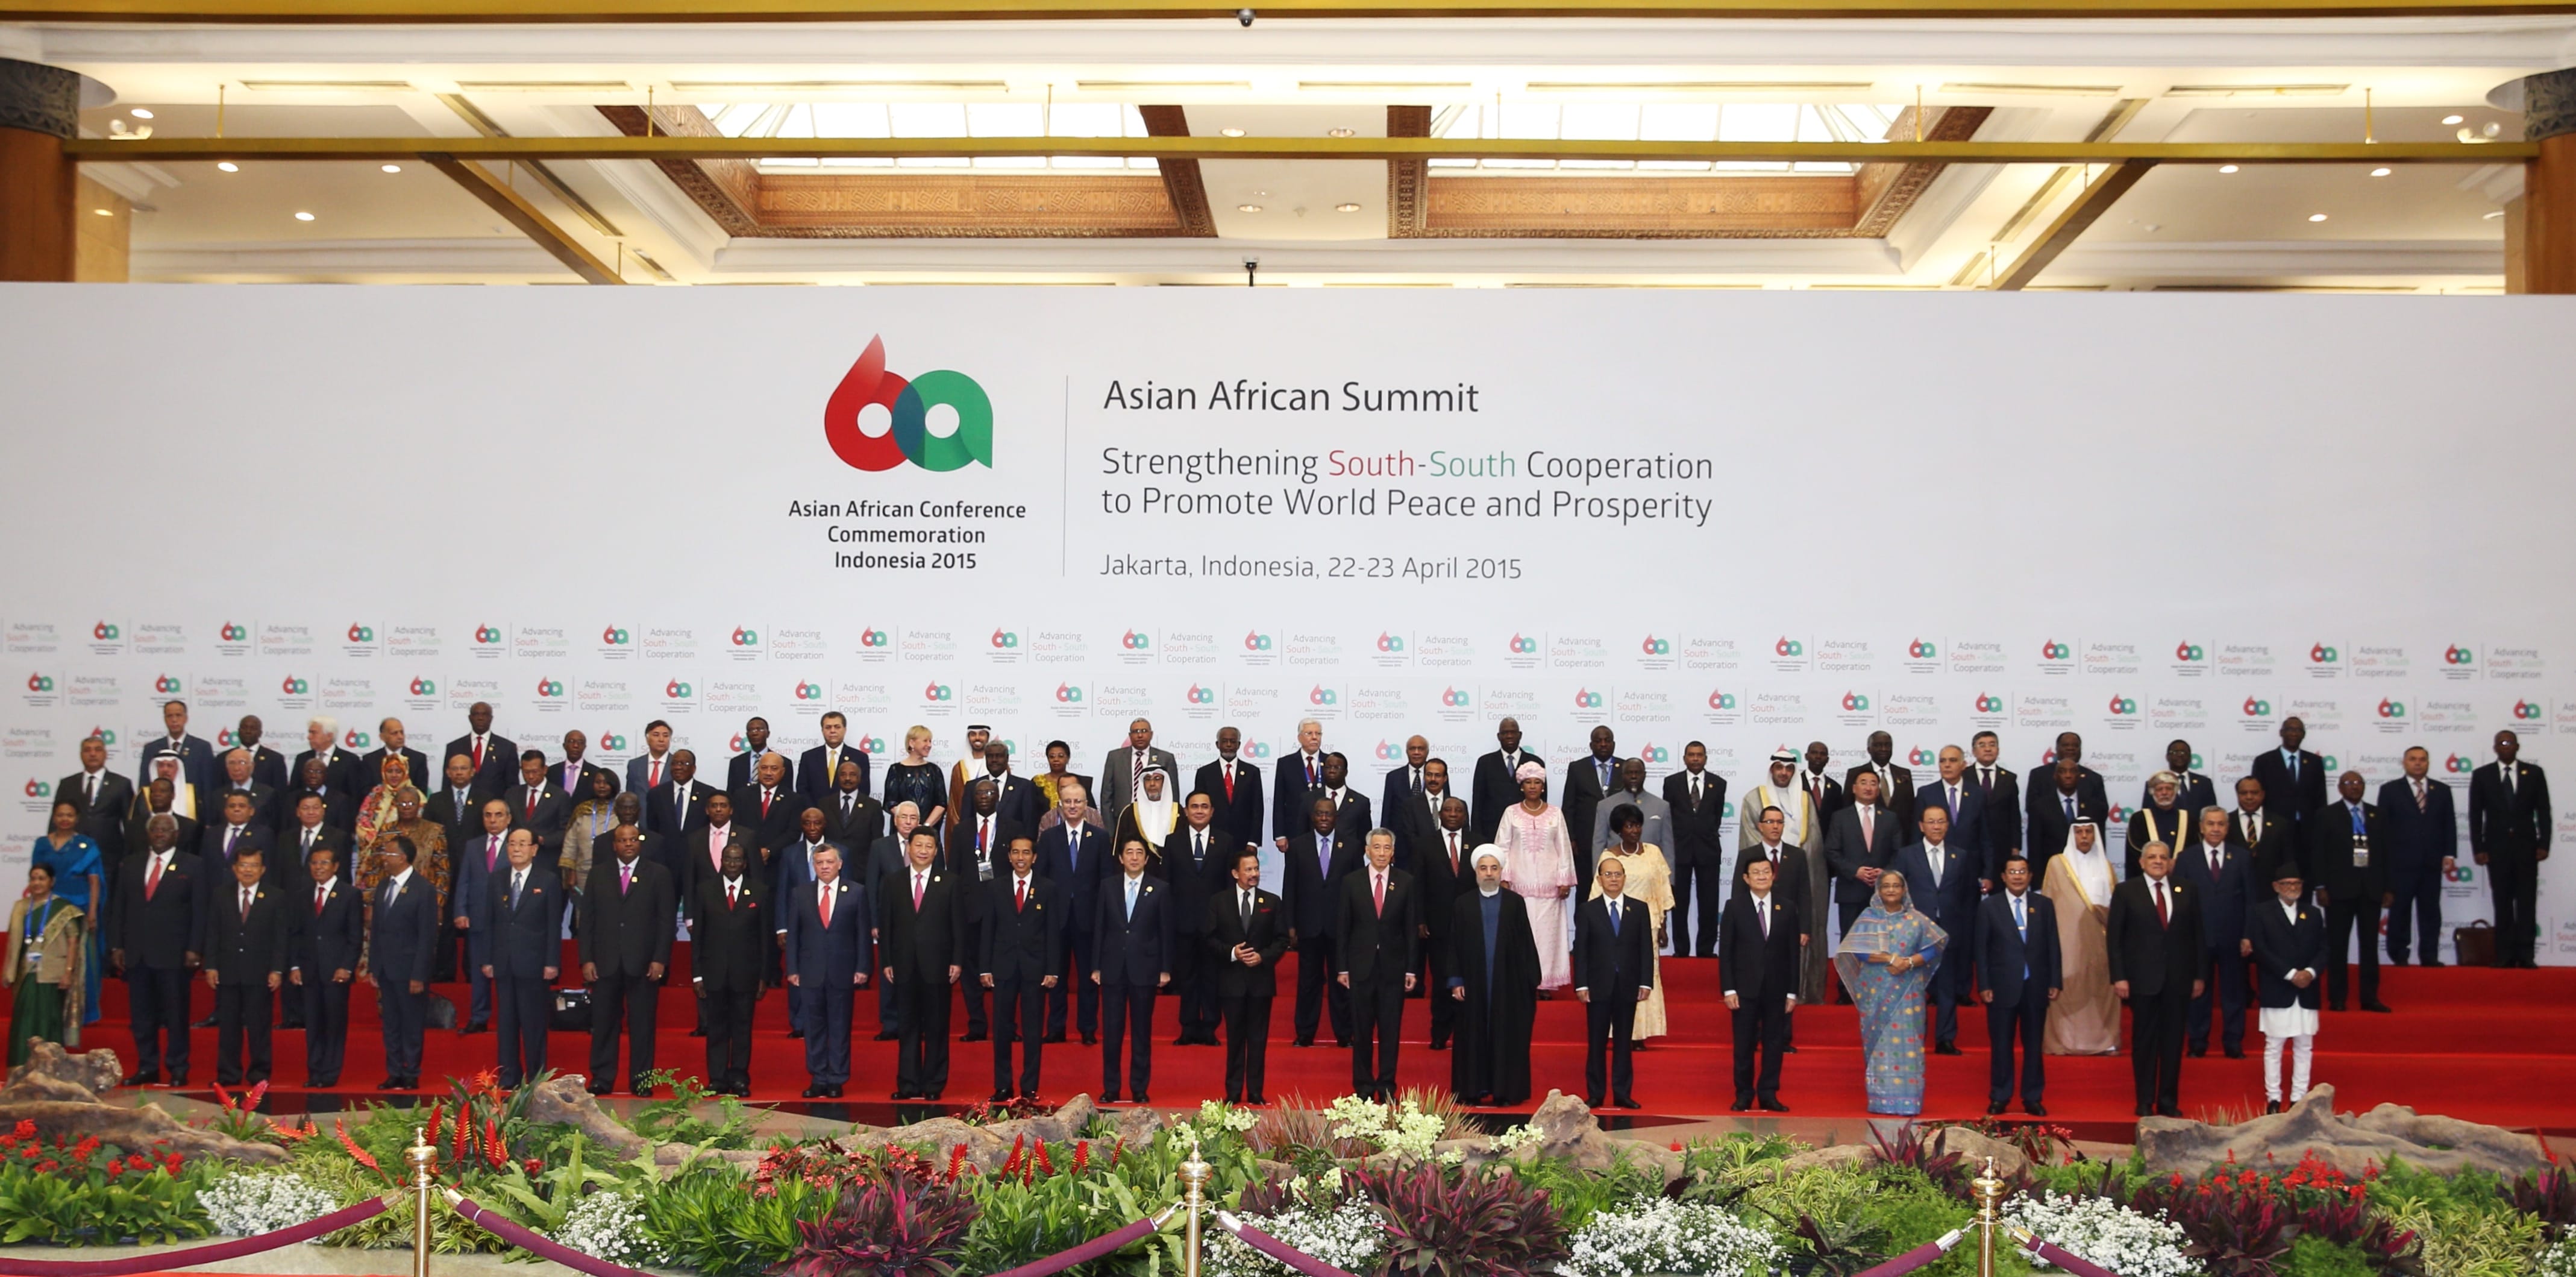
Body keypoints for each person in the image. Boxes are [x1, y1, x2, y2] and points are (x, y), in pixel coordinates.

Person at [1835, 870, 1946, 1115]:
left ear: (1904, 890)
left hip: (1908, 992)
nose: (1892, 890)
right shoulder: (1869, 918)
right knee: (1880, 1044)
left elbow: (1934, 947)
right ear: (1879, 890)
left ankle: (1910, 1101)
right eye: (1886, 886)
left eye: (1896, 886)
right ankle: (1881, 1101)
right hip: (1876, 991)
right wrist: (1893, 959)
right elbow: (1858, 950)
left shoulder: (1917, 919)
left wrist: (1907, 963)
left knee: (1910, 1043)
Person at [2107, 842, 2204, 1118]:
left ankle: (2168, 1101)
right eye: (2152, 857)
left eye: (2163, 857)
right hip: (2142, 981)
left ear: (2170, 862)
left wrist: (2199, 976)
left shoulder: (2187, 889)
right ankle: (2144, 1100)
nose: (2158, 861)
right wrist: (2119, 977)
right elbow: (2115, 940)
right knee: (2145, 1043)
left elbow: (2198, 936)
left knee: (2173, 1043)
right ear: (2141, 862)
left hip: (2179, 980)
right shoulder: (2127, 891)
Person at [578, 824, 674, 1097]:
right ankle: (602, 1077)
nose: (629, 844)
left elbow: (666, 922)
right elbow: (587, 921)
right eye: (623, 840)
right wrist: (586, 959)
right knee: (604, 1023)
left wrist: (660, 959)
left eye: (633, 840)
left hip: (643, 963)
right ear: (614, 845)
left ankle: (642, 1080)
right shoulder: (598, 874)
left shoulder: (658, 874)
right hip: (605, 962)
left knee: (642, 1025)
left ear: (640, 843)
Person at [108, 814, 200, 1087]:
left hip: (174, 953)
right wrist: (117, 945)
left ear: (176, 834)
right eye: (155, 830)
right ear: (148, 834)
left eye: (166, 830)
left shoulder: (193, 865)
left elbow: (200, 910)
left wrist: (195, 948)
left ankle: (178, 1067)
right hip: (137, 953)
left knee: (176, 1015)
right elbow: (118, 909)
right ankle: (148, 1066)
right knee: (142, 1017)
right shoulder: (131, 864)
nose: (160, 833)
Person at [1446, 847, 1537, 1106]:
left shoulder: (1514, 902)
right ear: (1476, 872)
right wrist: (1456, 980)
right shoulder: (1463, 903)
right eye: (1484, 869)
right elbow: (1453, 945)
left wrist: (1530, 981)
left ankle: (1505, 1091)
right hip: (1472, 985)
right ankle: (1472, 1090)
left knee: (1505, 1036)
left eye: (1494, 868)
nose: (1489, 874)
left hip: (1507, 985)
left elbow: (1525, 944)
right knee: (1471, 1036)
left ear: (1501, 872)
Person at [782, 844, 870, 1099]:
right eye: (820, 863)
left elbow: (862, 933)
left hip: (843, 970)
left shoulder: (856, 892)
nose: (825, 867)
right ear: (814, 866)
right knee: (814, 1027)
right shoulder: (801, 894)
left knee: (840, 1026)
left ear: (839, 864)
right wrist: (793, 968)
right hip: (810, 971)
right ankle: (818, 1077)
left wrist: (863, 967)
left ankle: (837, 1079)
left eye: (830, 862)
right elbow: (794, 935)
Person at [1742, 748, 1828, 1007]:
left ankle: (1801, 993)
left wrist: (1793, 869)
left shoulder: (1805, 799)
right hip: (1762, 890)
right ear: (1772, 770)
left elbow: (1812, 845)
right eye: (1779, 768)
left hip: (1795, 886)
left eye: (1789, 769)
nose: (1784, 773)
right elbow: (1750, 844)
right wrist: (1769, 875)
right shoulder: (1753, 798)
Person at [885, 828, 965, 1101]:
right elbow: (887, 926)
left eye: (929, 846)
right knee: (906, 1026)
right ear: (909, 848)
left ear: (936, 850)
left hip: (938, 965)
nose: (923, 850)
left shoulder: (950, 882)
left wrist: (957, 960)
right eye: (918, 845)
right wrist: (886, 961)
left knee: (936, 1026)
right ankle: (907, 1083)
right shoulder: (893, 882)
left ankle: (933, 1084)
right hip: (904, 964)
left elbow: (958, 925)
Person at [1890, 805, 1977, 1055]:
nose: (1936, 827)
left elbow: (1968, 896)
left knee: (1948, 987)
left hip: (1950, 930)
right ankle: (1913, 1038)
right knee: (1914, 988)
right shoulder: (1907, 855)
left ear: (1948, 825)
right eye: (1931, 822)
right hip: (1915, 932)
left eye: (1941, 822)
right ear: (1921, 826)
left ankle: (1945, 1039)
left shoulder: (1960, 855)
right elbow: (1897, 894)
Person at [1337, 829, 1417, 1100]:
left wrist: (1411, 968)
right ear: (1367, 850)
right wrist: (1342, 968)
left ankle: (1386, 1084)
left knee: (1390, 1030)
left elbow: (1410, 929)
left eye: (1387, 848)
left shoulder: (1406, 882)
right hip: (1360, 967)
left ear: (1393, 852)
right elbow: (1343, 928)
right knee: (1361, 1031)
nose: (1382, 853)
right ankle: (1362, 1085)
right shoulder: (1351, 882)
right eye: (1377, 848)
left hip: (1393, 969)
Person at [1092, 836, 1172, 1104]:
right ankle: (1111, 1087)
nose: (1135, 857)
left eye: (1140, 853)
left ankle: (1139, 1087)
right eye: (1130, 852)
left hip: (1145, 969)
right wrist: (1096, 966)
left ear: (1147, 859)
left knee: (1141, 1032)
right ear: (1121, 858)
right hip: (1113, 969)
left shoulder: (1159, 889)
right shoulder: (1107, 886)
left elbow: (1165, 931)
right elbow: (1099, 928)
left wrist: (1165, 969)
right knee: (1112, 1032)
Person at [980, 835, 1060, 1102]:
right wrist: (984, 967)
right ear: (1009, 856)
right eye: (1016, 852)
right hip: (1003, 967)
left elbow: (1052, 932)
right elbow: (987, 930)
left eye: (1026, 852)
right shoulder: (995, 887)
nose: (1021, 857)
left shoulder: (1047, 888)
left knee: (1033, 1029)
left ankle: (1029, 1086)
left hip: (1035, 969)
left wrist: (1052, 969)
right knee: (1002, 1029)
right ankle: (1003, 1085)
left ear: (1034, 857)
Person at [1977, 855, 2059, 1117]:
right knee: (2001, 1045)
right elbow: (1981, 950)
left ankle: (2032, 1097)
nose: (2017, 876)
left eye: (2022, 871)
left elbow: (2053, 946)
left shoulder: (2044, 905)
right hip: (2001, 987)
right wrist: (1984, 984)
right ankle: (2000, 1096)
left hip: (2035, 986)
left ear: (2030, 876)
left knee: (2034, 1045)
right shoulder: (1990, 907)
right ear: (2003, 876)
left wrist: (2055, 980)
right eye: (2012, 871)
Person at [482, 829, 562, 1090]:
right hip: (504, 963)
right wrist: (488, 958)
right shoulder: (496, 879)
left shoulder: (548, 880)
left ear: (534, 849)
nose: (517, 849)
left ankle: (537, 1078)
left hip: (535, 963)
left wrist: (552, 962)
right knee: (506, 1025)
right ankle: (508, 1077)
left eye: (522, 844)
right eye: (512, 844)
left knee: (534, 1024)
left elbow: (553, 925)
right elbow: (490, 923)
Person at [685, 839, 765, 1096]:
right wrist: (697, 974)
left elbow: (764, 940)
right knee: (716, 1028)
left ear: (744, 863)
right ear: (722, 862)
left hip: (746, 974)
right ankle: (717, 1078)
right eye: (728, 859)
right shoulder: (706, 890)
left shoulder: (759, 891)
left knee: (742, 1027)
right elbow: (698, 937)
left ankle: (739, 1077)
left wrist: (764, 976)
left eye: (737, 859)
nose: (732, 864)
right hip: (713, 973)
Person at [1588, 806, 1673, 1045]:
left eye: (1637, 825)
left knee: (1645, 977)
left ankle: (1640, 1035)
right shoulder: (1608, 858)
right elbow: (1597, 897)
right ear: (1618, 830)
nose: (1635, 830)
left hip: (1648, 924)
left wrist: (1664, 925)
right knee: (1619, 978)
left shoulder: (1654, 853)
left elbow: (1662, 890)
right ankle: (1617, 1033)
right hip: (1616, 927)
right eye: (1629, 826)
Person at [1281, 792, 1361, 1046]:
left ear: (1336, 817)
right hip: (1309, 926)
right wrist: (1290, 925)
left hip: (1342, 928)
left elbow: (1358, 891)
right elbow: (1289, 888)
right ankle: (1305, 1033)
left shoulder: (1352, 845)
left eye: (1328, 814)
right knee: (1308, 983)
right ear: (1312, 817)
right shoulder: (1298, 845)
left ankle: (1344, 1034)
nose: (1324, 818)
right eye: (1319, 813)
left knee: (1342, 984)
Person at [1719, 856, 1797, 1113]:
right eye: (1756, 872)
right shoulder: (1734, 906)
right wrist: (1729, 989)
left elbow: (1793, 954)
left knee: (1774, 1043)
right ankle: (1743, 1094)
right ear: (1746, 878)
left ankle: (1768, 1094)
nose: (1762, 876)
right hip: (1744, 989)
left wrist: (1792, 991)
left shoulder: (1787, 907)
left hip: (1777, 988)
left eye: (1766, 871)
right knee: (1744, 1044)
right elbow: (1727, 951)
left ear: (1773, 876)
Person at [1572, 856, 1652, 1110]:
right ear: (1599, 879)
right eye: (1608, 874)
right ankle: (1595, 1093)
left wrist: (1646, 982)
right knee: (1596, 1042)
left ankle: (1622, 1093)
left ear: (1625, 878)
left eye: (1618, 874)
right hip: (1597, 986)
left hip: (1628, 985)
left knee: (1623, 1042)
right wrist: (1581, 984)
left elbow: (1645, 949)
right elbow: (1581, 950)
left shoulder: (1638, 909)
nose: (1614, 879)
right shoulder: (1587, 910)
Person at [2176, 806, 2255, 1059]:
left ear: (2227, 828)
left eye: (2221, 824)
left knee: (2234, 991)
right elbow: (2179, 902)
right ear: (2201, 827)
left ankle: (2233, 1041)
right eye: (2210, 824)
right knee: (2199, 991)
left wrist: (2247, 935)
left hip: (2232, 937)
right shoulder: (2187, 858)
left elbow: (2250, 901)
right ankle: (2198, 1041)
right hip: (2197, 938)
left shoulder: (2241, 857)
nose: (2215, 829)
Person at [201, 846, 284, 1085]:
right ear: (235, 869)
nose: (248, 870)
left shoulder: (276, 896)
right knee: (228, 1027)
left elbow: (281, 937)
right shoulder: (220, 895)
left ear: (263, 869)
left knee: (259, 1027)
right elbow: (213, 933)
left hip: (260, 973)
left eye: (254, 865)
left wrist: (277, 969)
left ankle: (260, 1074)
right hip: (227, 971)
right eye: (243, 865)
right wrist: (211, 965)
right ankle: (228, 1073)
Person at [2310, 771, 2392, 1012]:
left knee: (2369, 945)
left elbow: (2388, 853)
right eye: (2349, 783)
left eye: (2359, 783)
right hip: (2338, 890)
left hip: (2372, 889)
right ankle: (2337, 998)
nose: (2354, 787)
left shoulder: (2378, 815)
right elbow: (2318, 853)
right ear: (2340, 787)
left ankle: (2370, 998)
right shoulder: (2326, 815)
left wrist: (2389, 887)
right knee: (2337, 946)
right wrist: (2320, 886)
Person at [2469, 729, 2551, 968]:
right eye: (2501, 743)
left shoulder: (2534, 773)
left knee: (2526, 901)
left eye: (2509, 743)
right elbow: (2475, 814)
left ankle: (2526, 954)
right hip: (2496, 848)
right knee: (2502, 901)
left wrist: (2544, 843)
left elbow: (2544, 811)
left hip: (2527, 848)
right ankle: (2504, 954)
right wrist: (2479, 847)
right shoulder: (2482, 775)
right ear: (2495, 748)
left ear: (2517, 746)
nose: (2505, 746)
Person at [1212, 848, 1289, 1104]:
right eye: (1248, 869)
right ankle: (1233, 1092)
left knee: (1258, 1039)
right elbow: (1209, 939)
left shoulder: (1272, 901)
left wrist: (1263, 957)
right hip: (1231, 981)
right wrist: (1232, 952)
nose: (1254, 874)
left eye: (1256, 869)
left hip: (1260, 982)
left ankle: (1255, 1091)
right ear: (1236, 873)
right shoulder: (1219, 902)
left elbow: (1282, 940)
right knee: (1235, 1039)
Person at [2248, 863, 2325, 1114]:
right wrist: (2291, 974)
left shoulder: (2313, 913)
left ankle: (2299, 1098)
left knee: (2304, 1046)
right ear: (2276, 887)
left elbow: (2324, 949)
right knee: (2274, 1046)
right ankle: (2273, 1098)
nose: (2292, 889)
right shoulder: (2262, 912)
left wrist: (2310, 973)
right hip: (2277, 987)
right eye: (2287, 884)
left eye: (2297, 884)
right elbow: (2260, 948)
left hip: (2306, 990)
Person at [365, 834, 440, 1091]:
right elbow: (377, 931)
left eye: (390, 854)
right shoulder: (384, 886)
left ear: (404, 858)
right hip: (386, 969)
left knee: (411, 1024)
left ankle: (412, 1072)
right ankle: (394, 1071)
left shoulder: (424, 889)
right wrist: (374, 967)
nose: (385, 858)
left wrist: (419, 975)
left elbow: (427, 937)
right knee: (391, 1025)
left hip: (410, 971)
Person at [1036, 782, 1108, 1044]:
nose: (1073, 806)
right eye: (1068, 802)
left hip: (1088, 919)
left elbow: (1106, 881)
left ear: (1086, 804)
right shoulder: (1049, 837)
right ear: (1060, 805)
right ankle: (1056, 1028)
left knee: (1090, 978)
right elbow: (1040, 879)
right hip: (1056, 918)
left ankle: (1088, 1028)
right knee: (1056, 976)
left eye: (1078, 801)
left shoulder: (1100, 837)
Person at [1494, 762, 1575, 994]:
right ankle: (1522, 980)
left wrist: (1564, 880)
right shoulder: (1511, 813)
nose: (1532, 786)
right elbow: (1502, 847)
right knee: (1522, 935)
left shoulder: (1555, 814)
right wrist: (1504, 878)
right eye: (1528, 782)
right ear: (1521, 786)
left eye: (1537, 782)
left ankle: (1546, 983)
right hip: (1519, 886)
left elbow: (1564, 848)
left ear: (1543, 786)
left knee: (1548, 937)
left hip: (1550, 887)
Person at [2041, 819, 2119, 1056]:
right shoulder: (2057, 864)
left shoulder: (2106, 866)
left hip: (2099, 941)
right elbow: (2047, 903)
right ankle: (2064, 1042)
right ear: (2071, 836)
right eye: (2079, 832)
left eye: (2088, 832)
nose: (2084, 837)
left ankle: (2104, 1042)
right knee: (2067, 989)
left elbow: (2114, 906)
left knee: (2099, 990)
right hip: (2066, 942)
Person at [1161, 791, 1231, 1047]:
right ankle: (1188, 1027)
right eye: (1194, 807)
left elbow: (1228, 888)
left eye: (1204, 806)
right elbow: (1166, 885)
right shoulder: (1173, 841)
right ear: (1186, 812)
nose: (1199, 811)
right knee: (1187, 977)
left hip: (1215, 925)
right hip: (1183, 922)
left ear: (1212, 811)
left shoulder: (1225, 841)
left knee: (1212, 978)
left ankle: (1210, 1027)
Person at [287, 846, 360, 1088]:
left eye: (324, 863)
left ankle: (330, 1073)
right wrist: (295, 965)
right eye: (314, 863)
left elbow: (354, 936)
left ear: (336, 866)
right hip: (309, 971)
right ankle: (315, 1072)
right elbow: (295, 934)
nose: (318, 868)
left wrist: (347, 967)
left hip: (336, 972)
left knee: (335, 1024)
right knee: (313, 1024)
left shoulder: (349, 895)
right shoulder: (301, 895)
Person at [2379, 747, 2457, 968]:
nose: (2418, 763)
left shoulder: (2441, 790)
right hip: (2401, 864)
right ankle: (2399, 954)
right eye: (2413, 759)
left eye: (2422, 760)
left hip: (2432, 863)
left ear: (2428, 763)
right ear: (2404, 763)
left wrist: (2449, 853)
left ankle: (2430, 955)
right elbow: (2383, 830)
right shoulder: (2390, 790)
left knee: (2431, 911)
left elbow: (2449, 825)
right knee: (2400, 910)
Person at [31, 799, 104, 1026]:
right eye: (61, 815)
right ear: (54, 817)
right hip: (49, 907)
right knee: (50, 956)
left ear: (77, 819)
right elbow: (37, 878)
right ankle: (49, 1009)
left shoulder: (87, 845)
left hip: (79, 908)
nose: (65, 819)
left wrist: (92, 912)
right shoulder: (42, 844)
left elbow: (95, 882)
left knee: (83, 960)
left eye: (70, 815)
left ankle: (83, 1013)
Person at [5, 864, 86, 1066]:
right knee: (24, 1019)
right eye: (33, 878)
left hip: (53, 974)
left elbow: (73, 941)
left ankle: (50, 1068)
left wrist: (68, 972)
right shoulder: (21, 907)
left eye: (41, 878)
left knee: (48, 1020)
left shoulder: (64, 909)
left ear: (52, 882)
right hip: (27, 972)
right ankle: (21, 1068)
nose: (36, 883)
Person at [1412, 791, 1471, 1050]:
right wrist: (1420, 920)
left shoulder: (1479, 843)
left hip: (1471, 926)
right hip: (1436, 925)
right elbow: (1418, 886)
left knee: (1468, 979)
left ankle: (1466, 1033)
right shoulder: (1425, 844)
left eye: (1458, 811)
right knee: (1440, 981)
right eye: (1449, 810)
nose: (1453, 815)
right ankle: (1440, 1033)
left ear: (1465, 816)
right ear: (1440, 814)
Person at [454, 797, 516, 1034]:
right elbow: (465, 881)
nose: (493, 820)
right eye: (488, 815)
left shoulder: (517, 843)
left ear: (508, 818)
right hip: (478, 917)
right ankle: (479, 1017)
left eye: (498, 815)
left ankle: (509, 1019)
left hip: (508, 920)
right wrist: (461, 910)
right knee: (479, 970)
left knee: (507, 970)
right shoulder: (473, 845)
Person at [1661, 742, 1726, 958]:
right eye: (1691, 755)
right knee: (1679, 903)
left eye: (1699, 755)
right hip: (1680, 849)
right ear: (1684, 758)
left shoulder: (1718, 784)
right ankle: (1681, 950)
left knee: (1709, 902)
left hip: (1708, 850)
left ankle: (1706, 950)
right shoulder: (1672, 783)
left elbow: (1716, 818)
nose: (1696, 759)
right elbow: (1669, 816)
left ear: (1706, 758)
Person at [1824, 769, 1902, 940]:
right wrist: (1854, 871)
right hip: (1851, 891)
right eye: (1864, 782)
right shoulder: (1840, 817)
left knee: (1883, 942)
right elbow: (1831, 850)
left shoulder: (1890, 818)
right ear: (1854, 788)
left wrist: (1885, 873)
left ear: (1878, 789)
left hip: (1883, 893)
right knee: (1851, 942)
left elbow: (1899, 852)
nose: (1868, 787)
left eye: (1873, 783)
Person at [869, 801, 922, 1040]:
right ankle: (891, 1024)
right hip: (890, 922)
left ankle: (917, 1024)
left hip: (923, 922)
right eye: (904, 817)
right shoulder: (880, 846)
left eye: (913, 818)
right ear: (895, 820)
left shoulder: (928, 845)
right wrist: (873, 921)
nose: (909, 822)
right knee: (889, 974)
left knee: (920, 974)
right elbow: (871, 887)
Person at [60, 735, 133, 885]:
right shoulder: (67, 784)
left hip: (109, 860)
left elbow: (131, 825)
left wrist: (127, 858)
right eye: (87, 750)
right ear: (81, 755)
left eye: (98, 750)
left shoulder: (121, 784)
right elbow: (56, 823)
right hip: (73, 858)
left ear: (106, 754)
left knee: (106, 906)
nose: (93, 754)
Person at [2248, 716, 2331, 849]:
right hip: (2275, 828)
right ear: (2282, 733)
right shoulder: (2264, 761)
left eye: (2298, 730)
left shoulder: (2315, 762)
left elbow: (2321, 798)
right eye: (2290, 729)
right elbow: (2257, 796)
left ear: (2303, 735)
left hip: (2307, 830)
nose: (2294, 733)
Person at [2024, 759, 2104, 887]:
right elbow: (2035, 849)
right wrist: (2038, 885)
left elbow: (2099, 844)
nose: (2068, 776)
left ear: (2079, 776)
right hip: (2052, 876)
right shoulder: (2040, 807)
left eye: (2073, 772)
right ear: (2055, 777)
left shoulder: (2094, 807)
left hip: (2088, 877)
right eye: (2063, 772)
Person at [1196, 727, 1266, 872]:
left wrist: (1253, 841)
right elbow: (1200, 809)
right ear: (1217, 744)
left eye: (1233, 742)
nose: (1228, 745)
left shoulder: (1252, 772)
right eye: (1225, 741)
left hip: (1243, 840)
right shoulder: (1205, 773)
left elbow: (1257, 809)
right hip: (1213, 839)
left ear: (1239, 745)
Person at [1470, 718, 1541, 848]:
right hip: (1491, 832)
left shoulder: (1535, 762)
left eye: (1513, 732)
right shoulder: (1485, 763)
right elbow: (1478, 802)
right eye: (1505, 733)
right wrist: (1477, 836)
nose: (1509, 736)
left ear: (1520, 735)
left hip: (1526, 833)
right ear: (1499, 736)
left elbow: (1541, 800)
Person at [1586, 758, 1669, 868]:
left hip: (1651, 872)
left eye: (1637, 773)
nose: (1634, 777)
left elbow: (1668, 846)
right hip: (1616, 873)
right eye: (1629, 773)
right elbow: (1599, 844)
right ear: (1622, 775)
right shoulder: (1605, 806)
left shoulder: (1662, 806)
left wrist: (1670, 880)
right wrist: (1599, 874)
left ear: (1644, 775)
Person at [1562, 727, 1619, 884]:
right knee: (1585, 889)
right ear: (1591, 745)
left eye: (1607, 741)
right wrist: (1571, 839)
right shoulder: (1577, 768)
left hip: (1619, 841)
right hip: (1585, 841)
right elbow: (1569, 806)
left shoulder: (1626, 768)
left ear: (1613, 744)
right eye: (1598, 741)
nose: (1603, 744)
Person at [1100, 718, 1181, 825]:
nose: (1140, 735)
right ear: (1130, 735)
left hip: (1155, 821)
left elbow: (1173, 795)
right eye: (1136, 732)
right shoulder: (1115, 758)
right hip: (1123, 820)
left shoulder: (1166, 758)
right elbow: (1106, 797)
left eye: (1144, 731)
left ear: (1151, 734)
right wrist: (1110, 831)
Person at [562, 767, 622, 906]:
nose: (602, 786)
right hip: (584, 873)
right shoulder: (582, 810)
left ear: (614, 785)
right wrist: (571, 873)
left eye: (606, 783)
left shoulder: (621, 810)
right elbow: (571, 843)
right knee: (584, 915)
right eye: (598, 782)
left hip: (613, 873)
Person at [1969, 731, 2023, 878]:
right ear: (1974, 751)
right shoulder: (1964, 776)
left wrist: (2015, 847)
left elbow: (2014, 816)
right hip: (1971, 846)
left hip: (2001, 846)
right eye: (1982, 745)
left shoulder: (2009, 779)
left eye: (1992, 745)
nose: (1988, 749)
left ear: (1998, 750)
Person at [1272, 718, 1329, 853]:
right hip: (1295, 831)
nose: (1315, 737)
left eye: (1318, 734)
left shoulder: (1330, 762)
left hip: (1325, 829)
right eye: (1309, 733)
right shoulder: (1285, 764)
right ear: (1299, 738)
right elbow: (1279, 801)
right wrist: (1280, 835)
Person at [1111, 767, 1180, 875]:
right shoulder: (1130, 812)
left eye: (1157, 779)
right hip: (1137, 875)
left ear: (1165, 782)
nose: (1152, 784)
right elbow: (1118, 849)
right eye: (1148, 779)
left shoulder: (1177, 811)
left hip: (1172, 873)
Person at [2126, 772, 2193, 880]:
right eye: (2159, 789)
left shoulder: (2189, 819)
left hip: (2181, 878)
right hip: (2147, 881)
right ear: (2153, 793)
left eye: (2169, 789)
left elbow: (2194, 849)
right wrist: (2161, 863)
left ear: (2175, 792)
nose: (2164, 793)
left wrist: (2178, 862)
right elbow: (2135, 851)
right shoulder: (2139, 819)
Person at [358, 718, 432, 814]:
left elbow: (421, 790)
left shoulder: (418, 759)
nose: (400, 737)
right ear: (382, 737)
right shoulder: (370, 760)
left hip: (409, 814)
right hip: (379, 814)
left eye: (402, 732)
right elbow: (366, 791)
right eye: (395, 733)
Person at [2231, 777, 2296, 886]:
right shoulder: (2226, 823)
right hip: (2235, 891)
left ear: (2263, 794)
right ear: (2237, 795)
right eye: (2244, 793)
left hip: (2270, 891)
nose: (2249, 797)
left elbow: (2287, 860)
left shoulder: (2280, 823)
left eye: (2254, 793)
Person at [883, 726, 948, 836]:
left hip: (928, 834)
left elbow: (941, 803)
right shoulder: (896, 770)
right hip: (901, 834)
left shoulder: (934, 770)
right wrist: (908, 823)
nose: (929, 745)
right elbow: (890, 803)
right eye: (925, 741)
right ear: (912, 743)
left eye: (930, 741)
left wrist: (925, 827)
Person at [443, 702, 518, 797]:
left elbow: (512, 786)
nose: (480, 718)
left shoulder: (507, 747)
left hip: (495, 806)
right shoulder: (454, 747)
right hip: (462, 806)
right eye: (476, 714)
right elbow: (447, 783)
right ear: (470, 718)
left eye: (485, 714)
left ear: (491, 718)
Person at [139, 699, 215, 791]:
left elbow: (208, 785)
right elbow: (144, 785)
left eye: (178, 715)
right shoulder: (151, 749)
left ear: (186, 718)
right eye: (170, 716)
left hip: (191, 803)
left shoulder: (202, 748)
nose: (174, 720)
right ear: (165, 719)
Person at [1381, 736, 1435, 864]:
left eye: (1421, 749)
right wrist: (1387, 847)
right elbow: (1387, 814)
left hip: (1430, 846)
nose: (1416, 752)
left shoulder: (1436, 776)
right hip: (1401, 848)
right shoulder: (1393, 777)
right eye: (1413, 749)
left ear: (1427, 752)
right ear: (1406, 751)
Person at [1847, 731, 1917, 828]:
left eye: (1887, 745)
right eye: (1878, 745)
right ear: (1869, 749)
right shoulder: (1855, 774)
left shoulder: (1904, 774)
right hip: (1866, 833)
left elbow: (1911, 809)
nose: (1883, 749)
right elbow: (1847, 808)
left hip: (1901, 837)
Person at [797, 711, 868, 805]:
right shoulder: (809, 757)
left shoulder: (859, 758)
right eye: (828, 727)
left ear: (845, 730)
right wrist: (814, 812)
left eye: (837, 727)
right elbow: (802, 789)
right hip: (816, 816)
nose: (833, 731)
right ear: (822, 730)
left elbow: (864, 790)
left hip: (847, 815)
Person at [207, 747, 281, 833]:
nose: (236, 768)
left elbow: (275, 827)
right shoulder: (217, 795)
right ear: (226, 767)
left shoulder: (268, 794)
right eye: (232, 763)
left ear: (252, 766)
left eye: (242, 763)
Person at [647, 748, 715, 841]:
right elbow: (652, 829)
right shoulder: (656, 794)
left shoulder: (708, 794)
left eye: (684, 764)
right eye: (674, 763)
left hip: (697, 851)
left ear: (694, 768)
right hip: (665, 852)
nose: (678, 767)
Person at [823, 758, 886, 851]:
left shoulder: (873, 806)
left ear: (859, 778)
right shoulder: (824, 804)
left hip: (861, 863)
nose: (847, 778)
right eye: (843, 775)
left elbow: (877, 839)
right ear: (838, 778)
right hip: (831, 862)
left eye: (852, 775)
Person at [2151, 739, 2219, 814]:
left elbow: (2212, 813)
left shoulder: (2205, 783)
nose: (2180, 755)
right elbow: (2147, 816)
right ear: (2167, 757)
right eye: (2175, 752)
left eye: (2183, 752)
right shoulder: (2155, 783)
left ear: (2190, 757)